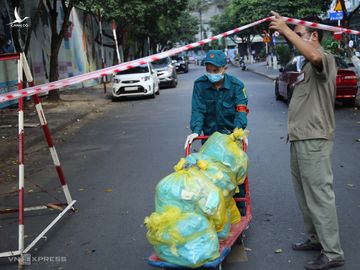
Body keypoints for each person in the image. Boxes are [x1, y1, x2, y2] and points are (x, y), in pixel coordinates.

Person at [270, 11, 344, 270]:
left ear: (314, 35)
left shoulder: (323, 58)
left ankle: (332, 252)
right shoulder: (304, 67)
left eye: (299, 35)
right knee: (305, 195)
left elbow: (313, 55)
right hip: (300, 137)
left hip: (314, 138)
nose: (294, 41)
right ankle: (316, 239)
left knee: (319, 196)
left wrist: (285, 30)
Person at [184, 49, 249, 214]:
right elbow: (198, 109)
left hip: (231, 138)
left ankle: (240, 209)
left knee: (234, 175)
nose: (212, 74)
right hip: (210, 140)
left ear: (225, 68)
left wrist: (238, 132)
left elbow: (241, 110)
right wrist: (196, 130)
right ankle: (214, 209)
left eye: (216, 70)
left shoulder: (236, 86)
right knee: (211, 176)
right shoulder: (200, 85)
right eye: (209, 70)